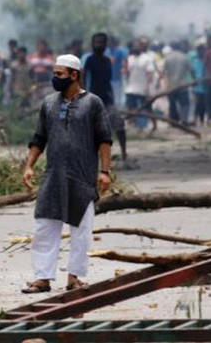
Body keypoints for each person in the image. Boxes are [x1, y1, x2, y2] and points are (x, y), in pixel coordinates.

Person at [21, 54, 112, 294]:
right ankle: (42, 278)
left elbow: (104, 139)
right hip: (53, 177)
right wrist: (29, 166)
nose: (55, 78)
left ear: (74, 75)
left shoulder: (93, 103)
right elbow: (39, 138)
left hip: (82, 177)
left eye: (59, 74)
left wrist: (104, 171)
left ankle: (74, 277)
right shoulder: (49, 103)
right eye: (54, 73)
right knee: (44, 227)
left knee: (81, 231)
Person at [83, 33, 127, 160]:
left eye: (102, 43)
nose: (99, 45)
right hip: (92, 99)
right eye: (97, 42)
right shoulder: (89, 60)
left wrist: (112, 96)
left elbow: (108, 81)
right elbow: (83, 76)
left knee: (119, 124)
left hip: (107, 99)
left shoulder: (107, 61)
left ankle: (124, 152)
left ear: (105, 44)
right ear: (93, 44)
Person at [124, 37, 156, 130]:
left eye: (139, 45)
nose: (136, 47)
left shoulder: (147, 59)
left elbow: (150, 74)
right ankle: (132, 125)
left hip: (143, 88)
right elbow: (127, 73)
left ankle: (153, 125)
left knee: (147, 108)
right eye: (135, 45)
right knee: (131, 108)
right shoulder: (130, 58)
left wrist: (148, 87)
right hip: (131, 88)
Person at [161, 43, 194, 123]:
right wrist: (194, 79)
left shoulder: (168, 58)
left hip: (171, 85)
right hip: (183, 85)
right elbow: (191, 70)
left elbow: (163, 72)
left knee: (172, 104)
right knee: (185, 104)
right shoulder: (184, 57)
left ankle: (173, 121)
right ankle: (184, 120)